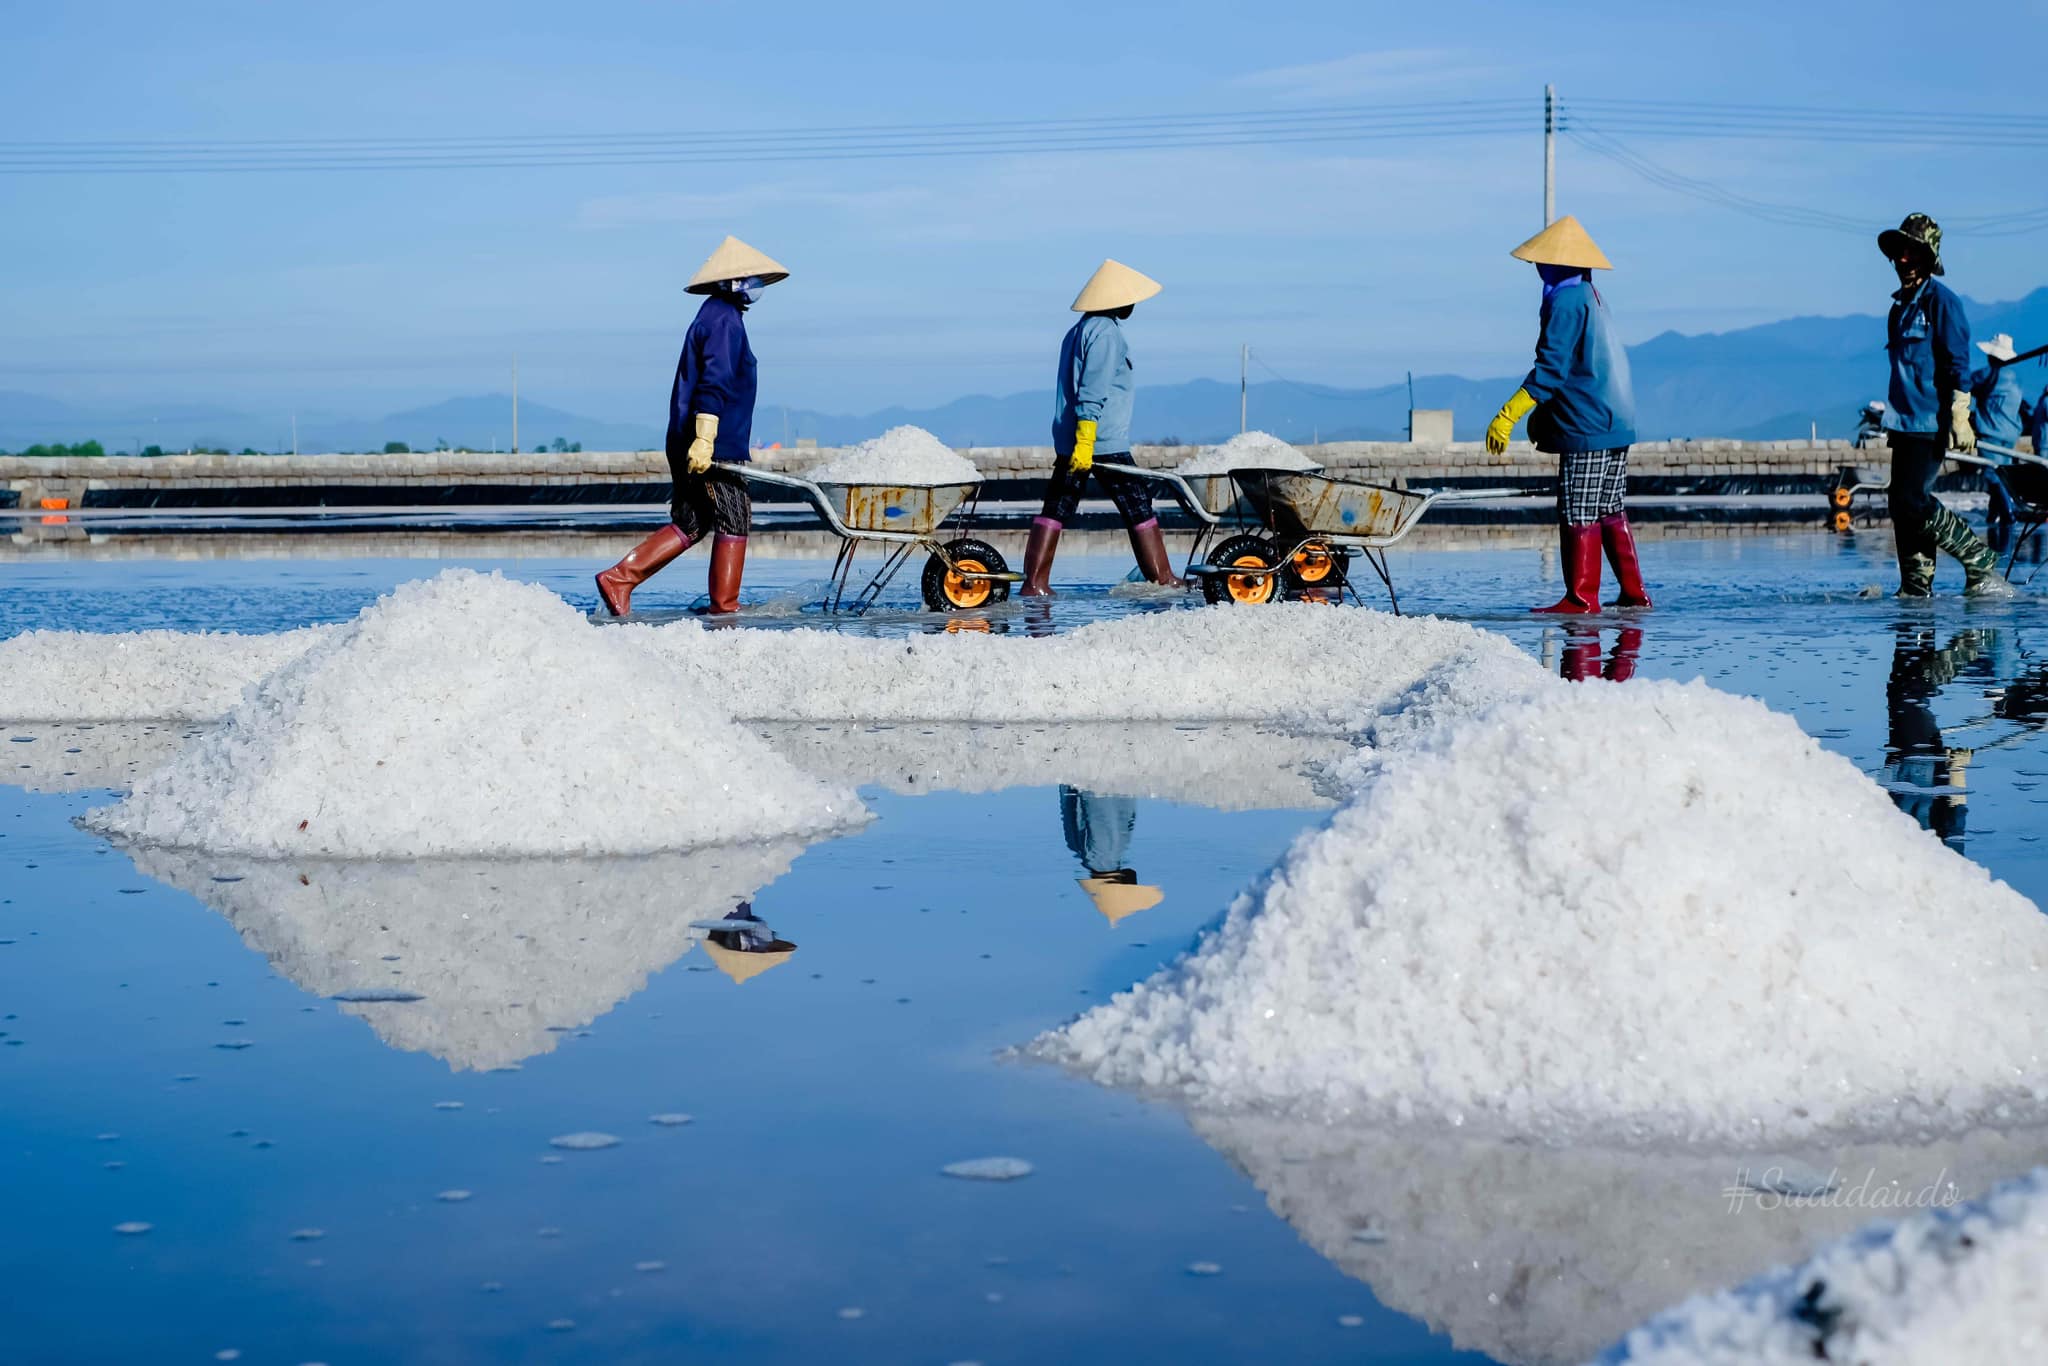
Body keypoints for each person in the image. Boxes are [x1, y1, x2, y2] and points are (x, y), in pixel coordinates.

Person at [595, 235, 788, 617]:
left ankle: (621, 577)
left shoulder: (712, 314)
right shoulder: (724, 321)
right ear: (732, 282)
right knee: (734, 515)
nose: (756, 288)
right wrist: (705, 439)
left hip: (690, 436)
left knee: (694, 521)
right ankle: (725, 606)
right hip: (709, 442)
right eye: (751, 280)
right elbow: (712, 383)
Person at [1484, 215, 1649, 612]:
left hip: (1588, 422)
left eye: (1542, 261)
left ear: (1556, 263)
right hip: (1616, 420)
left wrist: (1508, 414)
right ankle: (1633, 593)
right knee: (1609, 509)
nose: (1538, 268)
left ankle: (1581, 598)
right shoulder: (1592, 294)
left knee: (1578, 509)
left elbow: (1550, 371)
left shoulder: (1565, 301)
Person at [1022, 259, 1180, 596]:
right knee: (1137, 503)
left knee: (1058, 506)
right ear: (1116, 301)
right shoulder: (1106, 333)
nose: (1132, 306)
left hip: (1073, 438)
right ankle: (1163, 579)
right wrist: (1087, 439)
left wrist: (1078, 441)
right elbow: (1092, 391)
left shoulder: (1079, 329)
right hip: (1100, 440)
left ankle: (1034, 584)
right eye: (1129, 300)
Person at [1875, 213, 2009, 597]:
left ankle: (1977, 555)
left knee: (1913, 498)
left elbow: (1956, 361)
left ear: (1927, 258)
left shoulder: (1942, 303)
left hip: (1929, 420)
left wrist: (1959, 412)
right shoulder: (1899, 308)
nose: (1902, 260)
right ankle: (1916, 587)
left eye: (1911, 253)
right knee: (1899, 504)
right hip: (1902, 419)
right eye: (1899, 253)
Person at [1059, 786, 1162, 927]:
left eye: (1131, 889)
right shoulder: (1080, 851)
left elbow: (1099, 796)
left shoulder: (1106, 853)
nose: (1135, 883)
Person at [1973, 333, 2025, 541]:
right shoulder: (2015, 377)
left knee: (1992, 474)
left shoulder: (1988, 374)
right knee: (2002, 474)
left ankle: (2008, 514)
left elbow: (1965, 383)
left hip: (1991, 432)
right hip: (2011, 432)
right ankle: (1993, 515)